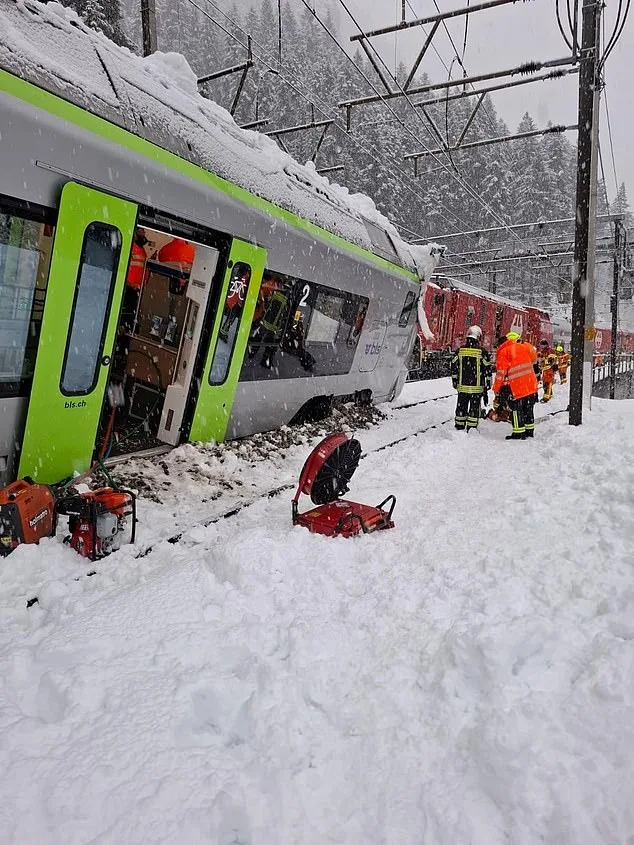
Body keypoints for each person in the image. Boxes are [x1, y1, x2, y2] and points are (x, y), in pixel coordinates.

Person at [492, 329, 539, 439]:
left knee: (516, 410)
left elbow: (501, 373)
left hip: (517, 386)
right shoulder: (524, 347)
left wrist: (496, 389)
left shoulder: (504, 352)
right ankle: (529, 431)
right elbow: (533, 360)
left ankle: (518, 433)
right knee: (528, 409)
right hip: (530, 384)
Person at [450, 325, 492, 431]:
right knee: (474, 408)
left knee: (461, 407)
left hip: (462, 387)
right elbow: (488, 370)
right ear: (478, 337)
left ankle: (459, 425)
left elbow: (453, 366)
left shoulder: (460, 351)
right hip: (476, 388)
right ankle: (471, 427)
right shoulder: (482, 352)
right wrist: (487, 385)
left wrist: (455, 380)